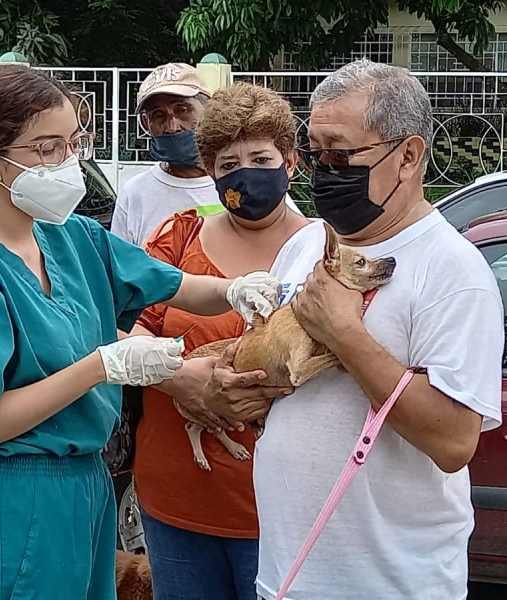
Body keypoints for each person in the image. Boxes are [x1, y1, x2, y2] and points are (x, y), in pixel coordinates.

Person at [0, 64, 281, 600]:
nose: (67, 162)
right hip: (14, 501)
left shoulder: (73, 238)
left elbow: (174, 285)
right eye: (46, 148)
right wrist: (102, 366)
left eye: (73, 143)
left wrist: (235, 290)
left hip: (89, 486)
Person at [252, 59, 505, 599]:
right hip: (286, 576)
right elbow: (275, 380)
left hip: (390, 585)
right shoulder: (305, 247)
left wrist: (347, 335)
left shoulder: (453, 272)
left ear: (408, 156)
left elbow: (454, 440)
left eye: (340, 155)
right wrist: (229, 390)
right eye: (316, 153)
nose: (323, 171)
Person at [129, 82, 311, 600]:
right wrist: (179, 380)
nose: (245, 173)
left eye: (260, 157)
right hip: (177, 499)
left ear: (290, 161)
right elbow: (123, 330)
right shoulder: (176, 239)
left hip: (281, 508)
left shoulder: (323, 252)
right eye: (229, 164)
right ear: (210, 173)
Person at [110, 63, 302, 247]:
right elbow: (121, 271)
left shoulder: (243, 180)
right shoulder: (135, 194)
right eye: (159, 115)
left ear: (208, 110)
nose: (172, 127)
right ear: (146, 123)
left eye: (182, 110)